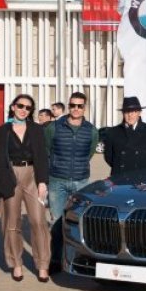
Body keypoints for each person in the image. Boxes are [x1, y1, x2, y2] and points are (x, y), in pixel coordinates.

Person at [0, 94, 52, 283]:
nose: (24, 110)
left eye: (28, 107)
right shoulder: (1, 131)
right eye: (20, 106)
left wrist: (43, 181)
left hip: (33, 174)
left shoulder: (37, 130)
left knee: (38, 221)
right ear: (13, 107)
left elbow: (42, 156)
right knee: (11, 222)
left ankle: (43, 265)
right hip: (10, 176)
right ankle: (16, 263)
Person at [45, 91, 98, 272]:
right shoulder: (54, 127)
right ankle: (56, 260)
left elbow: (89, 153)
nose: (76, 109)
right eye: (72, 105)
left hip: (81, 181)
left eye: (79, 106)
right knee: (57, 222)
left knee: (79, 222)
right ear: (68, 106)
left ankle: (79, 259)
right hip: (57, 181)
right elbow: (47, 150)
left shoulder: (91, 130)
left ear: (84, 108)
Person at [103, 97, 146, 183]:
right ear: (123, 114)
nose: (130, 115)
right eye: (127, 112)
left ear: (139, 113)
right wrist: (119, 166)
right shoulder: (113, 132)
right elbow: (108, 157)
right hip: (120, 178)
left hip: (143, 180)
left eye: (133, 112)